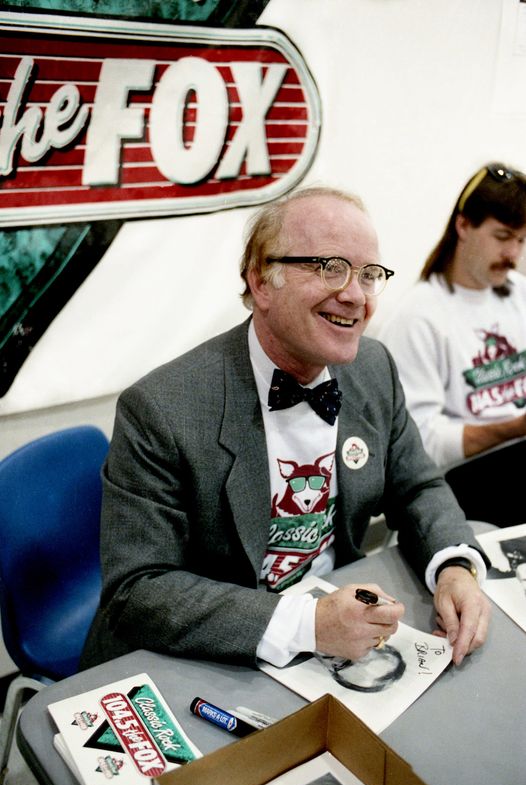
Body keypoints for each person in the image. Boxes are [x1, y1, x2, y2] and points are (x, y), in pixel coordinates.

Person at [80, 186, 490, 675]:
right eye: (329, 267)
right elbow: (139, 591)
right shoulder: (162, 409)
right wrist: (307, 623)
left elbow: (418, 486)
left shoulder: (373, 368)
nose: (355, 295)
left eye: (368, 274)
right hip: (208, 653)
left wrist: (454, 566)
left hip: (339, 643)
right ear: (261, 283)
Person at [378, 163, 526, 528]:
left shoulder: (518, 294)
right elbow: (419, 447)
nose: (513, 254)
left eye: (521, 240)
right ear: (463, 226)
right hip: (461, 483)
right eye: (503, 236)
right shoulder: (418, 316)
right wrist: (515, 427)